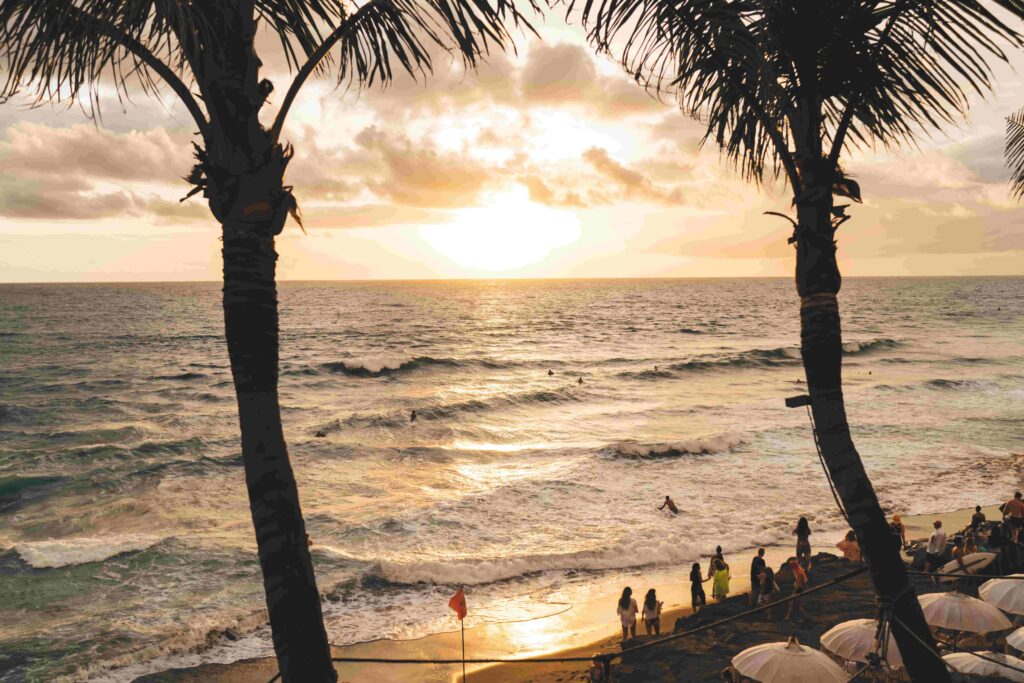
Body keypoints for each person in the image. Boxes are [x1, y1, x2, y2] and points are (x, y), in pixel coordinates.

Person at [784, 557, 808, 621]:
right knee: (793, 603)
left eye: (791, 567)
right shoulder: (799, 571)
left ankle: (803, 618)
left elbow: (799, 585)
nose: (791, 569)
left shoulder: (798, 573)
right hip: (801, 589)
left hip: (799, 590)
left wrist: (794, 592)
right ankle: (788, 616)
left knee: (797, 605)